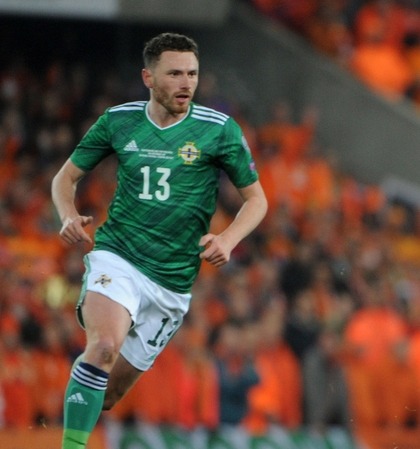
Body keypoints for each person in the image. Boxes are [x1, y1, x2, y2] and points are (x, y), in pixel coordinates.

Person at [51, 32, 268, 449]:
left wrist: (228, 238)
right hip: (119, 257)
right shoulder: (119, 120)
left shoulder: (218, 130)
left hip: (172, 283)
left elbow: (256, 200)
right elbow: (66, 177)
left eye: (192, 74)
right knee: (104, 347)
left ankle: (83, 394)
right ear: (148, 77)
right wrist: (66, 215)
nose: (186, 83)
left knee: (110, 394)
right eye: (175, 74)